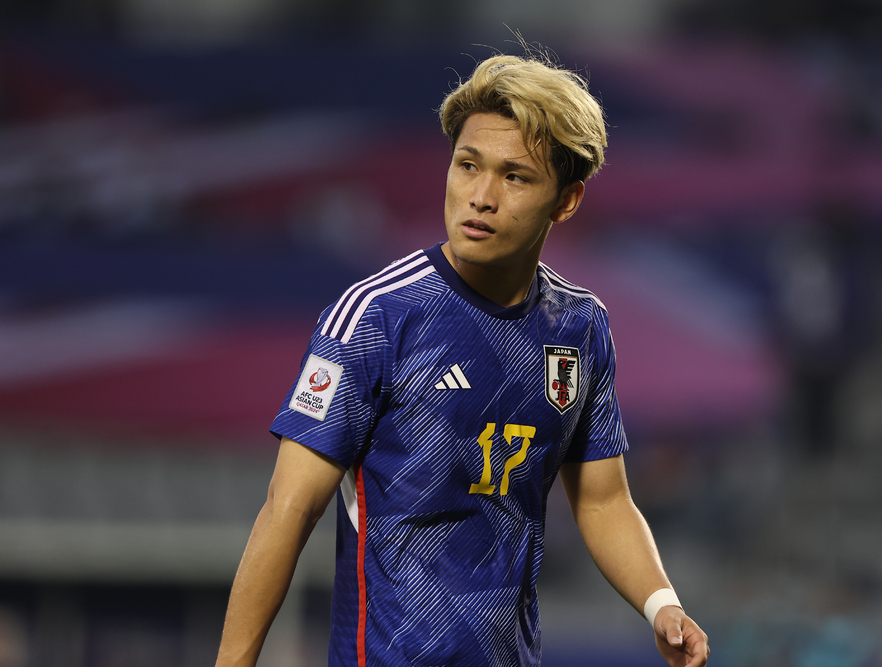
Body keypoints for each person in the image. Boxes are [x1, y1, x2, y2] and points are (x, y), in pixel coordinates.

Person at [215, 51, 710, 667]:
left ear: (566, 200)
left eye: (515, 177)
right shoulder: (376, 317)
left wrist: (662, 605)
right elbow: (288, 510)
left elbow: (602, 501)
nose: (481, 196)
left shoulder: (580, 328)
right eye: (467, 165)